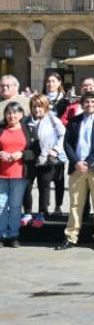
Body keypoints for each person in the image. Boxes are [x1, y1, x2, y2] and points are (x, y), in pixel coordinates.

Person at [57, 92, 94, 251]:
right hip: (77, 168)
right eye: (87, 102)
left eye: (93, 102)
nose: (90, 104)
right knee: (75, 204)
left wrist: (87, 162)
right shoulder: (74, 121)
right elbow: (67, 144)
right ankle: (71, 237)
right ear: (82, 104)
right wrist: (76, 162)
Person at [0, 101, 36, 247]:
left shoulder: (28, 129)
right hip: (1, 173)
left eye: (15, 112)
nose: (11, 115)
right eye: (8, 112)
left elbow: (35, 151)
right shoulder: (1, 129)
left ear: (21, 114)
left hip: (19, 174)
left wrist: (21, 154)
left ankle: (13, 235)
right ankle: (2, 234)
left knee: (15, 205)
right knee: (1, 205)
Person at [24, 95, 64, 225]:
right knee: (27, 186)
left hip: (46, 158)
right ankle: (28, 212)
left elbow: (63, 135)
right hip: (29, 159)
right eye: (34, 106)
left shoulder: (53, 119)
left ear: (45, 107)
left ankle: (42, 212)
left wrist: (56, 150)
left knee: (44, 186)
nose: (37, 109)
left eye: (40, 106)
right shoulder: (25, 121)